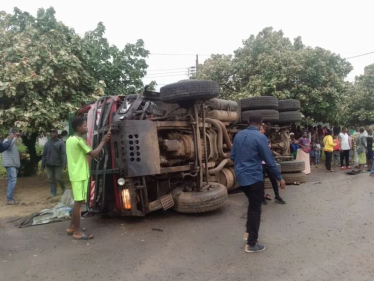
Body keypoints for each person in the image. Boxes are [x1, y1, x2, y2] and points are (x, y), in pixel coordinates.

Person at [231, 113, 285, 253]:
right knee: (255, 209)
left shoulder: (238, 135)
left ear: (248, 122)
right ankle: (252, 244)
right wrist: (279, 178)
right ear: (261, 124)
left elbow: (232, 156)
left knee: (252, 206)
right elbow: (269, 160)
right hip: (254, 178)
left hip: (241, 178)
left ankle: (248, 234)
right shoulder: (261, 137)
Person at [66, 117, 111, 240]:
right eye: (85, 125)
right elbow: (94, 153)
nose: (87, 127)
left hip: (76, 173)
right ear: (79, 128)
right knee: (78, 203)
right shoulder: (79, 141)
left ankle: (72, 227)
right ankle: (77, 232)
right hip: (79, 175)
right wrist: (103, 141)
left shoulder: (70, 139)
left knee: (78, 202)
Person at [259, 124, 286, 205]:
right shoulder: (256, 140)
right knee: (261, 181)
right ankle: (262, 197)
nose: (260, 131)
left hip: (269, 163)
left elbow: (268, 151)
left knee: (273, 180)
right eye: (259, 129)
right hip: (261, 164)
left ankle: (277, 196)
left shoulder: (267, 140)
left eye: (261, 129)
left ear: (264, 131)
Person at [42, 129, 67, 197]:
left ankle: (63, 188)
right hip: (49, 164)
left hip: (58, 164)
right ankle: (53, 193)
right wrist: (42, 165)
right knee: (50, 179)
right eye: (51, 133)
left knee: (58, 178)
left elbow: (63, 154)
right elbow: (44, 155)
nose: (52, 134)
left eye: (53, 133)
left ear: (56, 134)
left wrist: (64, 163)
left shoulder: (61, 143)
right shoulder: (47, 144)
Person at [2, 131, 20, 205]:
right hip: (10, 164)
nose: (15, 135)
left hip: (13, 164)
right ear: (10, 134)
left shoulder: (11, 141)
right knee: (12, 180)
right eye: (13, 134)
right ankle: (9, 199)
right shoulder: (7, 141)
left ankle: (10, 198)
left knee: (11, 181)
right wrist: (14, 138)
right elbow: (8, 146)